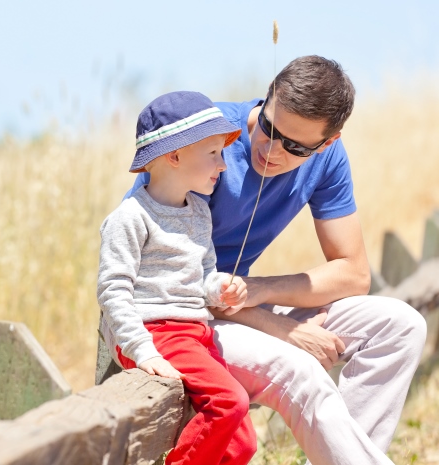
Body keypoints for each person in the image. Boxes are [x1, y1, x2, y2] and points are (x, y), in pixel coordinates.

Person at [125, 55, 427, 465]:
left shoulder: (329, 161)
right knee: (300, 373)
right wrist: (280, 327)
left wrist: (262, 291)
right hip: (178, 317)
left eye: (297, 146)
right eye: (269, 127)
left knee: (401, 325)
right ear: (268, 97)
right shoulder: (206, 146)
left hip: (234, 304)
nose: (272, 150)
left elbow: (353, 273)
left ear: (329, 142)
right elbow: (162, 273)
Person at [98, 91, 257, 465]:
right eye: (213, 154)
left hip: (195, 334)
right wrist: (143, 350)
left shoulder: (199, 212)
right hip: (156, 332)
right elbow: (113, 290)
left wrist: (220, 289)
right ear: (174, 156)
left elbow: (201, 276)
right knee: (230, 401)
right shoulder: (130, 218)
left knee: (242, 443)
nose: (223, 166)